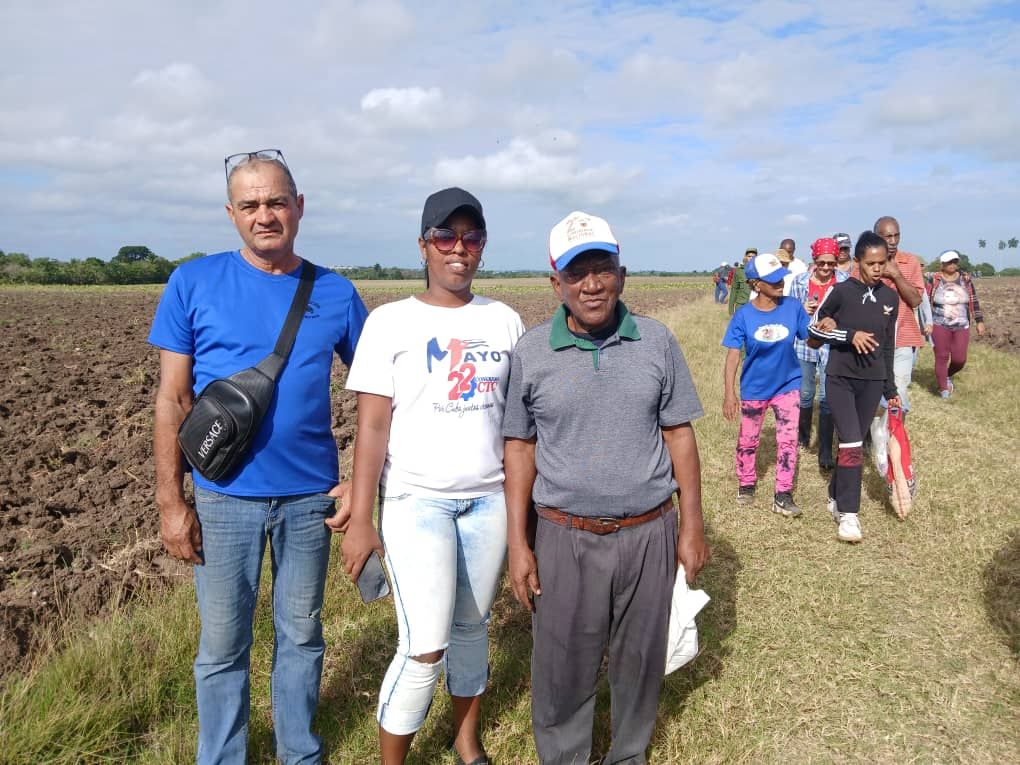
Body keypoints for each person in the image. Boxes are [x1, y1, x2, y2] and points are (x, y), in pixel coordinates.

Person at [149, 149, 368, 763]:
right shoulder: (192, 282)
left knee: (302, 636)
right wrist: (171, 502)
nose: (264, 215)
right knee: (223, 647)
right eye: (250, 205)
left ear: (299, 207)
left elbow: (378, 392)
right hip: (223, 499)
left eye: (276, 202)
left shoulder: (335, 291)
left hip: (310, 499)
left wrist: (361, 480)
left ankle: (299, 752)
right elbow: (173, 398)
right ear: (231, 213)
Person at [502, 211, 709, 765]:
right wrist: (518, 542)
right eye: (577, 273)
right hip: (563, 535)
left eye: (602, 269)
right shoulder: (531, 352)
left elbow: (679, 435)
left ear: (622, 274)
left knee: (640, 663)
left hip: (649, 532)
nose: (591, 284)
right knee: (562, 668)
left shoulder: (657, 342)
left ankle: (628, 754)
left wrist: (691, 526)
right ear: (556, 284)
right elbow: (519, 448)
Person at [340, 188, 525, 765]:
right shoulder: (390, 323)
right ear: (423, 245)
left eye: (472, 238)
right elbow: (372, 428)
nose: (458, 248)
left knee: (472, 628)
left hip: (488, 501)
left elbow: (517, 424)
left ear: (483, 247)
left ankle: (467, 743)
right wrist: (362, 519)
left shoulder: (504, 320)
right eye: (445, 236)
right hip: (416, 502)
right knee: (423, 648)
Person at [808, 231, 901, 543]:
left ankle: (836, 495)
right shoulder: (840, 292)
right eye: (871, 263)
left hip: (872, 382)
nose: (877, 268)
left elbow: (887, 346)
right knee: (850, 443)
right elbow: (812, 333)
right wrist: (849, 335)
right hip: (840, 379)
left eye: (882, 263)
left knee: (853, 445)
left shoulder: (890, 298)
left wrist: (890, 389)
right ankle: (849, 514)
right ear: (857, 261)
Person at [722, 253, 810, 516]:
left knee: (788, 441)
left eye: (781, 278)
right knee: (748, 440)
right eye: (773, 281)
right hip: (755, 388)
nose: (780, 284)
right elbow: (733, 355)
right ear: (756, 284)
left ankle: (783, 494)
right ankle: (747, 482)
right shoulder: (743, 316)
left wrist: (824, 326)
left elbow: (810, 337)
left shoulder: (793, 307)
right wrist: (729, 394)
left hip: (788, 385)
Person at [789, 238, 849, 472]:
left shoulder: (844, 282)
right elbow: (788, 311)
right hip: (804, 344)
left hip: (832, 346)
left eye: (831, 263)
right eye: (821, 263)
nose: (826, 268)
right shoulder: (799, 282)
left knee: (827, 398)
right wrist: (801, 310)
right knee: (805, 394)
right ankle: (803, 437)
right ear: (814, 260)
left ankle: (825, 450)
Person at [870, 216, 923, 415]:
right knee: (873, 393)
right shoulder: (864, 262)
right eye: (887, 237)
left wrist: (896, 275)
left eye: (896, 236)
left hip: (903, 337)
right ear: (876, 237)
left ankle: (895, 432)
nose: (893, 241)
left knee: (898, 391)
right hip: (872, 340)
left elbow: (915, 300)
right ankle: (874, 431)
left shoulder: (910, 262)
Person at [927, 249, 986, 399]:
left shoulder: (965, 280)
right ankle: (944, 390)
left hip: (961, 325)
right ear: (942, 264)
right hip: (939, 324)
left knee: (960, 359)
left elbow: (973, 301)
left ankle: (947, 375)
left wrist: (979, 321)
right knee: (941, 356)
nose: (952, 265)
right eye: (949, 262)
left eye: (955, 261)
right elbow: (926, 302)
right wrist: (925, 322)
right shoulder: (934, 280)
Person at [728, 247, 757, 315]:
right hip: (741, 305)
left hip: (756, 306)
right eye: (749, 256)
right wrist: (731, 310)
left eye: (753, 256)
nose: (751, 258)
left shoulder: (761, 270)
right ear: (745, 257)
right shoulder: (739, 271)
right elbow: (734, 290)